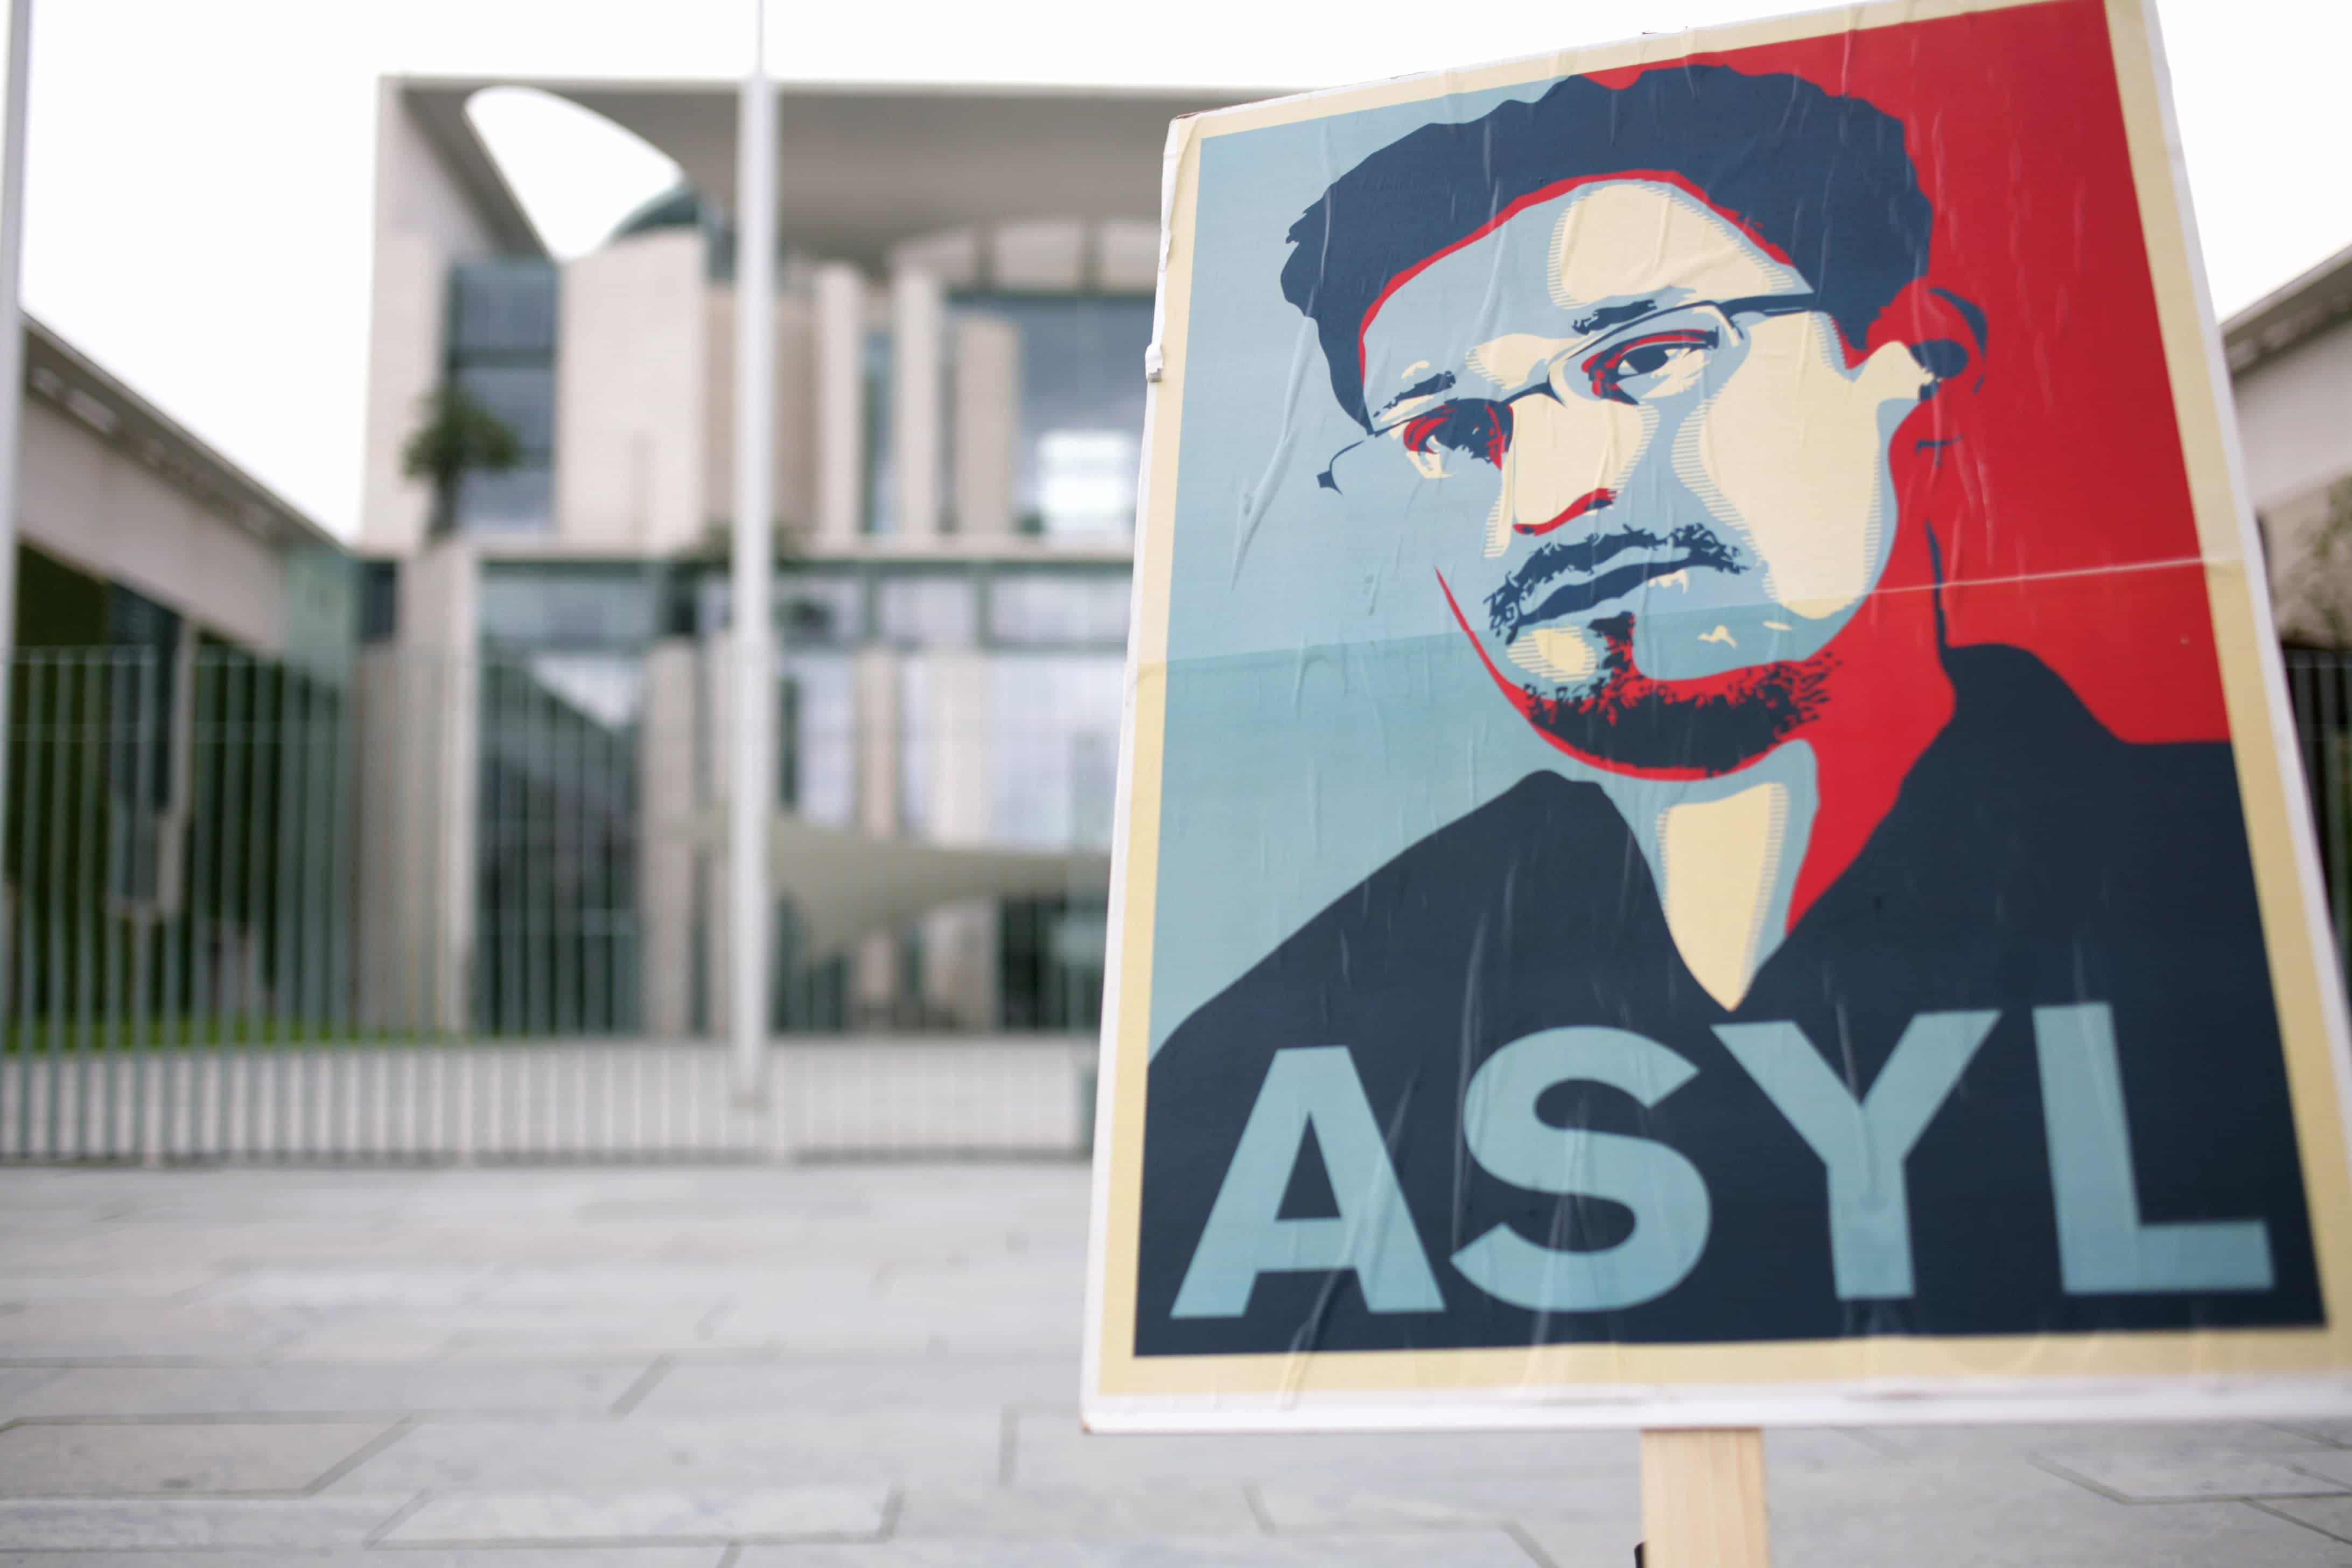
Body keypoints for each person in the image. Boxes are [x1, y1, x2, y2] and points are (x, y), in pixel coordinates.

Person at [1135, 63, 2320, 1356]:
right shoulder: (1274, 1053)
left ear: (1911, 363)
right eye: (1454, 433)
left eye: (1647, 358)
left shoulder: (2211, 902)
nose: (1549, 497)